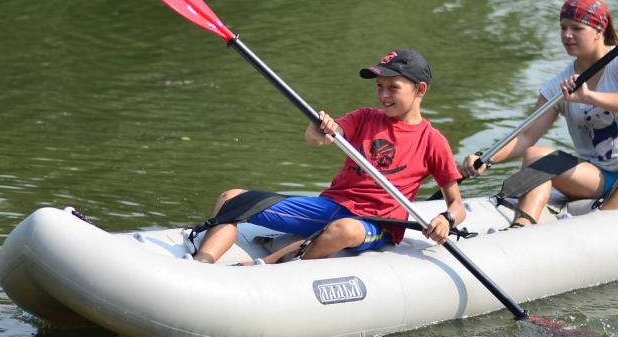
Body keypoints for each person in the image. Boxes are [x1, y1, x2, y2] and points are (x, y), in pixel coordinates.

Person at [193, 48, 466, 264]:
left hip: (378, 223)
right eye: (379, 87)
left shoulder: (432, 141)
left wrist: (446, 220)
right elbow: (316, 139)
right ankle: (201, 264)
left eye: (392, 87)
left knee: (344, 229)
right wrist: (320, 126)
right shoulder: (364, 118)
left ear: (420, 90)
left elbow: (457, 205)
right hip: (332, 206)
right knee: (232, 200)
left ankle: (283, 270)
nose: (383, 95)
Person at [460, 0, 618, 226]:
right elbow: (525, 136)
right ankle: (522, 226)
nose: (567, 35)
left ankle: (600, 226)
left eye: (577, 28)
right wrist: (486, 158)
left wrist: (589, 96)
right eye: (563, 28)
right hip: (598, 177)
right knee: (535, 156)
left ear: (599, 30)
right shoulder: (558, 86)